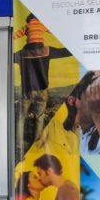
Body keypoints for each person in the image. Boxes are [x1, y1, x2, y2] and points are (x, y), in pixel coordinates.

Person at [12, 14, 72, 150]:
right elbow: (66, 51)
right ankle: (38, 144)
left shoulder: (21, 54)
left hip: (26, 90)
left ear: (27, 33)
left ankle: (18, 144)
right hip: (42, 89)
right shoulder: (47, 51)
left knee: (21, 118)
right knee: (39, 118)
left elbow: (7, 53)